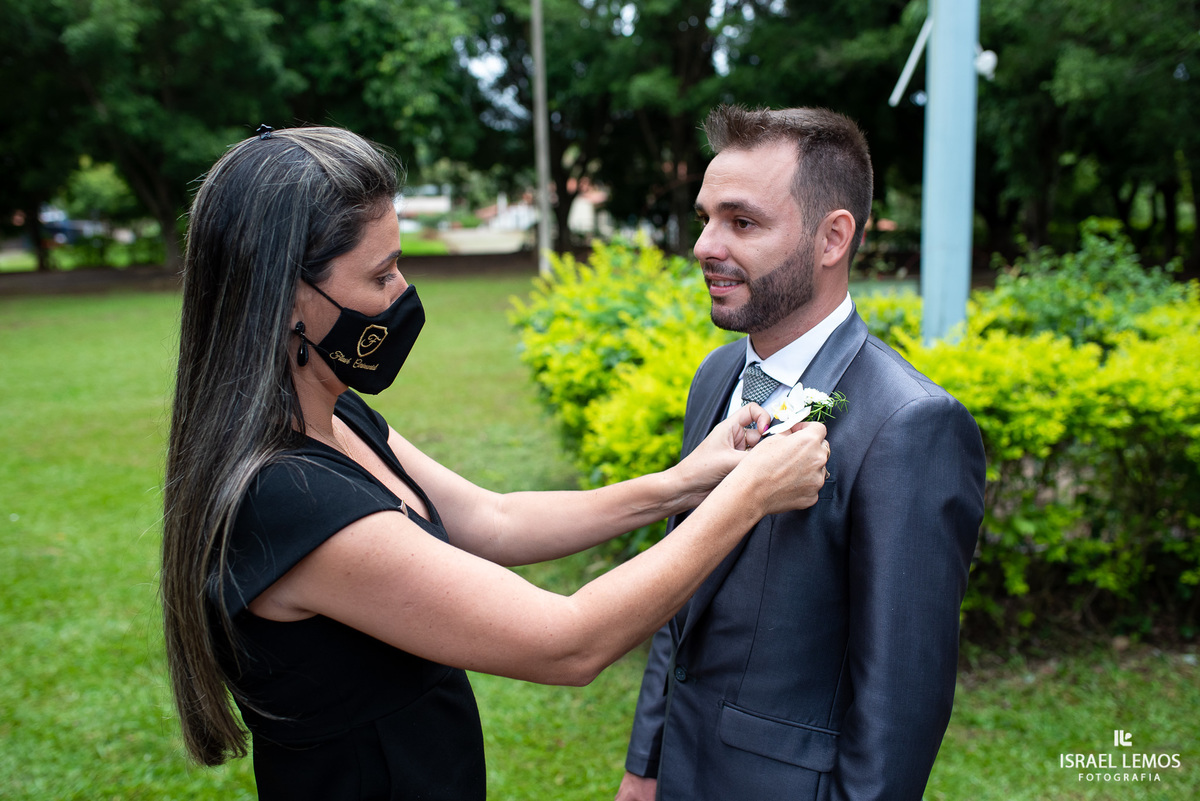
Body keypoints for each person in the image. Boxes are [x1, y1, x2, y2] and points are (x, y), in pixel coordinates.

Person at [159, 125, 831, 801]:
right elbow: (567, 642)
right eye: (381, 274)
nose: (403, 294)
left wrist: (684, 480)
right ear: (288, 301)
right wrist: (746, 498)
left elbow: (495, 518)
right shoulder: (286, 497)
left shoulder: (337, 418)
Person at [616, 106, 986, 801]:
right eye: (704, 217)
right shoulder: (716, 377)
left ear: (831, 237)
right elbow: (682, 591)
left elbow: (901, 700)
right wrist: (647, 762)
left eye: (742, 222)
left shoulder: (912, 424)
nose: (704, 244)